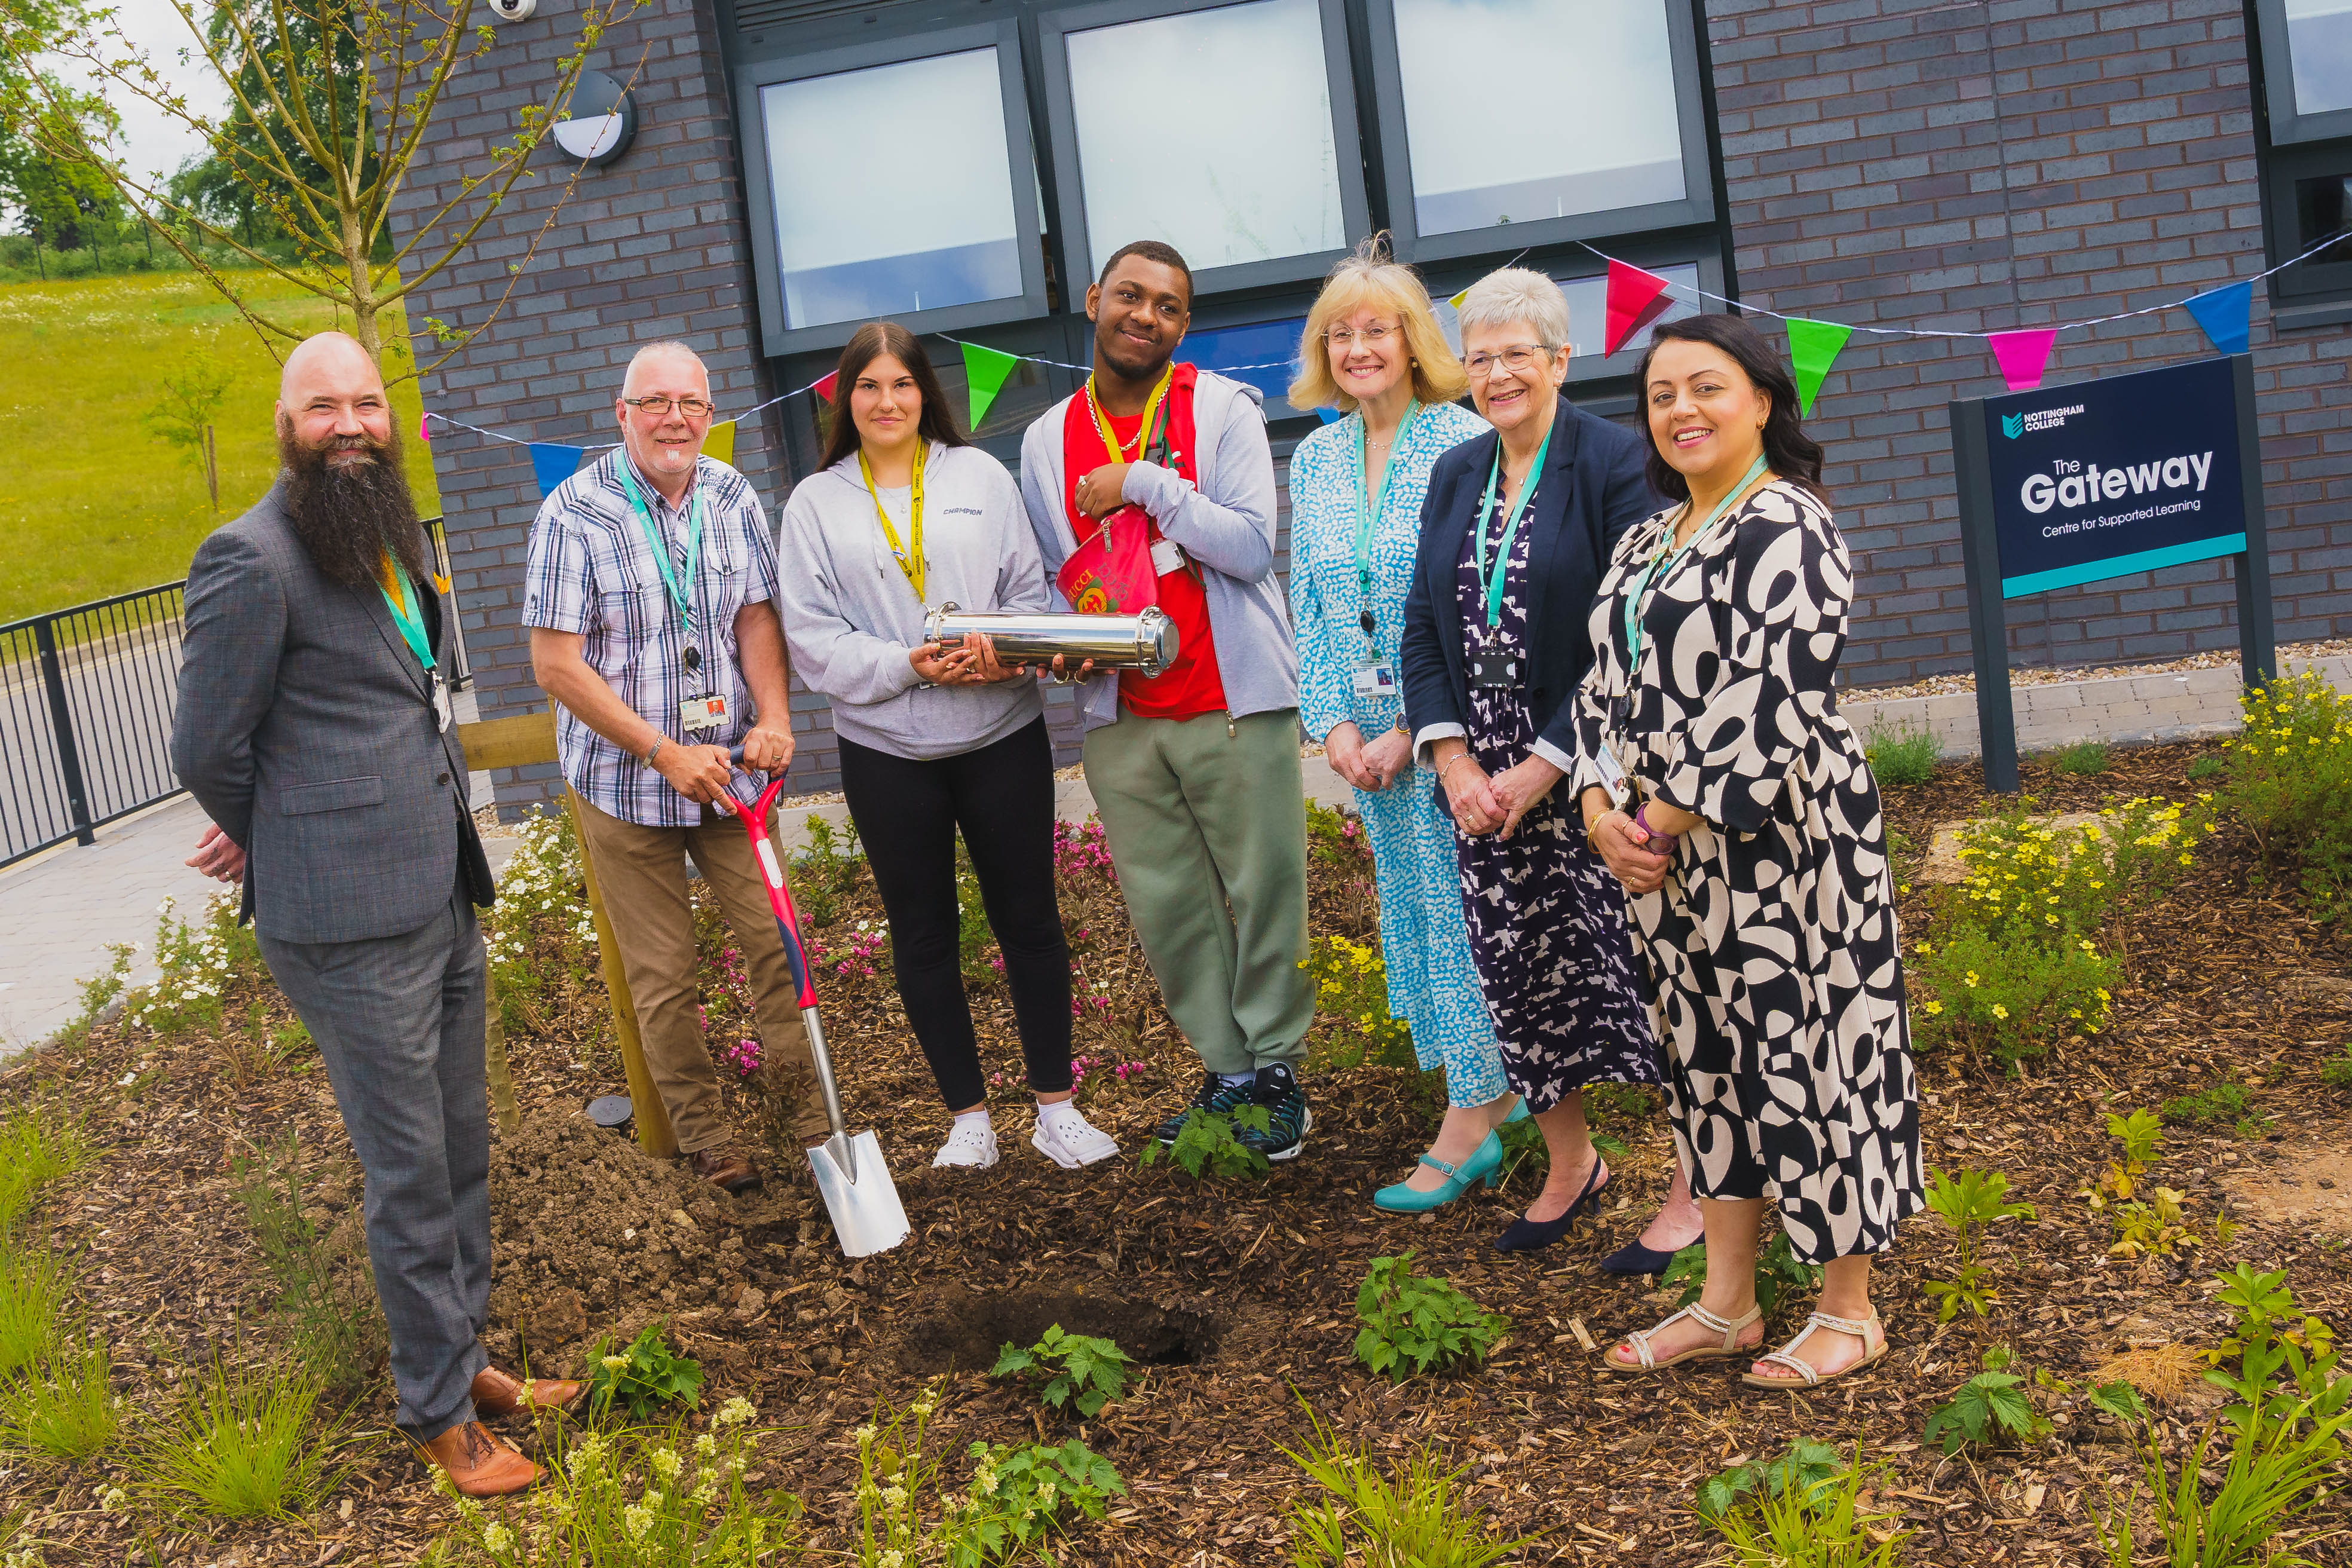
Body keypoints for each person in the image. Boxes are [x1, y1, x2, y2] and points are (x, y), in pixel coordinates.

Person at [173, 332, 578, 1497]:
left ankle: (468, 1355)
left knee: (458, 1148)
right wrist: (276, 822)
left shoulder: (388, 533)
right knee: (408, 1170)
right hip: (345, 922)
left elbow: (397, 699)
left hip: (440, 889)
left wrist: (281, 808)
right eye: (321, 406)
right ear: (284, 421)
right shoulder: (249, 558)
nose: (349, 423)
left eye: (366, 402)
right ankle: (436, 1412)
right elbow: (207, 743)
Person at [1581, 314, 1921, 1386]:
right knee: (1706, 1065)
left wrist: (1660, 818)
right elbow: (1597, 684)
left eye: (1706, 388)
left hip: (1785, 845)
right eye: (1661, 393)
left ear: (1763, 401)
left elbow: (1773, 692)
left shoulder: (1789, 525)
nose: (1680, 409)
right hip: (1660, 858)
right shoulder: (1648, 536)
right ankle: (1727, 1305)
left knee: (1816, 1056)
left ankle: (1848, 1310)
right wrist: (1598, 806)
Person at [1398, 268, 1701, 1260]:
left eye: (1515, 354)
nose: (1496, 375)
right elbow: (1422, 628)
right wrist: (1450, 761)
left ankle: (1696, 1188)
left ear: (1561, 359)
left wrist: (1546, 765)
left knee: (1643, 980)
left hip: (1594, 774)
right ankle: (1574, 1165)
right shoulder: (1455, 472)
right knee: (1520, 978)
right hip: (1482, 791)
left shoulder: (1617, 463)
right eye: (1478, 358)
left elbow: (1632, 634)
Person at [774, 323, 1119, 1171]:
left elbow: (1028, 592)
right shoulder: (816, 503)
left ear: (926, 391)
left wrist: (1005, 648)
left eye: (902, 384)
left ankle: (1055, 1108)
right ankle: (968, 1119)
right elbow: (812, 640)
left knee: (1030, 922)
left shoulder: (977, 477)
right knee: (923, 935)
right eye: (868, 387)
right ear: (844, 400)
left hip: (1001, 733)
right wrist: (907, 664)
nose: (887, 401)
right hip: (888, 752)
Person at [1018, 240, 1315, 1160]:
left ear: (1184, 326)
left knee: (1264, 891)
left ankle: (1279, 1077)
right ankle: (1227, 1074)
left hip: (1231, 697)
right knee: (1168, 905)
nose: (1146, 316)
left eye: (1169, 307)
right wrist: (1062, 646)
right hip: (1123, 715)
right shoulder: (1042, 438)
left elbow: (1251, 547)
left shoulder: (1218, 407)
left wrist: (1142, 483)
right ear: (1097, 299)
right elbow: (1055, 582)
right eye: (1131, 297)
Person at [524, 340, 825, 1195]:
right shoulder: (573, 513)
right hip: (625, 788)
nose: (674, 418)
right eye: (654, 402)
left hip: (731, 779)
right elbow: (556, 666)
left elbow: (757, 620)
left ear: (709, 412)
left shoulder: (731, 496)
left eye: (690, 403)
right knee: (663, 979)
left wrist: (772, 716)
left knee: (778, 947)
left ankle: (812, 1117)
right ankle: (710, 1142)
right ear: (621, 416)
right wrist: (660, 751)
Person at [1287, 241, 1520, 1212]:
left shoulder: (1460, 442)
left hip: (1456, 733)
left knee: (1472, 917)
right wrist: (1333, 722)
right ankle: (1481, 1095)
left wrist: (1417, 730)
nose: (1357, 348)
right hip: (1371, 746)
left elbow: (1478, 603)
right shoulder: (1313, 457)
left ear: (1415, 340)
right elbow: (1308, 593)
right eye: (1340, 333)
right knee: (1418, 920)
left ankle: (1478, 1116)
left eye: (1375, 328)